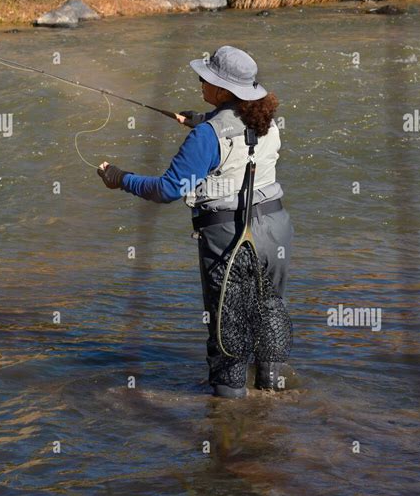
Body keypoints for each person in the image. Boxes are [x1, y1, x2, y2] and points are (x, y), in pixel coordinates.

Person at [98, 46, 294, 398]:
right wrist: (202, 119)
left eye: (206, 77)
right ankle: (273, 403)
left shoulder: (206, 137)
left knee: (228, 332)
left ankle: (228, 423)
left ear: (222, 90)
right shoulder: (267, 119)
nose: (200, 80)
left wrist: (120, 178)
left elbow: (168, 189)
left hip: (229, 236)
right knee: (269, 315)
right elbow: (237, 133)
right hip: (276, 229)